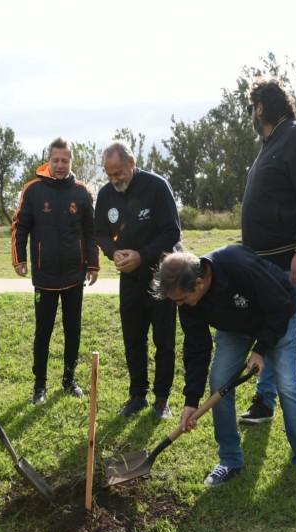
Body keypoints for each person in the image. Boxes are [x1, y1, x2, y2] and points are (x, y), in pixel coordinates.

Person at [151, 247, 296, 508]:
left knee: (287, 384)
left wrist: (261, 349)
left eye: (181, 300)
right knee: (219, 381)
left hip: (278, 315)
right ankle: (230, 459)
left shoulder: (238, 267)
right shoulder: (186, 298)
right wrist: (191, 400)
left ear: (199, 283)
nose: (179, 306)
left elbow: (281, 305)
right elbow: (197, 347)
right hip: (235, 328)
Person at [239, 76, 296, 436]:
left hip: (295, 259)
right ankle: (265, 402)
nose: (250, 113)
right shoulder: (272, 141)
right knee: (273, 330)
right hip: (269, 263)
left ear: (261, 106)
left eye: (251, 107)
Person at [95, 140, 181, 420]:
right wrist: (113, 252)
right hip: (128, 277)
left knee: (163, 339)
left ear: (131, 163)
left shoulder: (157, 186)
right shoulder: (106, 195)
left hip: (162, 274)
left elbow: (172, 233)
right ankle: (137, 395)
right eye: (109, 175)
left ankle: (162, 399)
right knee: (133, 338)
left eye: (119, 173)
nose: (114, 180)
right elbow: (101, 233)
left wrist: (142, 255)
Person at [12, 137, 100, 405]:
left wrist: (93, 264)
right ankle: (39, 386)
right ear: (48, 161)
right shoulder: (33, 190)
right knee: (44, 332)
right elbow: (20, 225)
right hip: (44, 275)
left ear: (71, 161)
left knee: (73, 330)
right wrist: (20, 259)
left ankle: (69, 380)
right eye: (56, 160)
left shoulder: (82, 192)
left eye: (65, 160)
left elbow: (91, 231)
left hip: (74, 276)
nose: (60, 165)